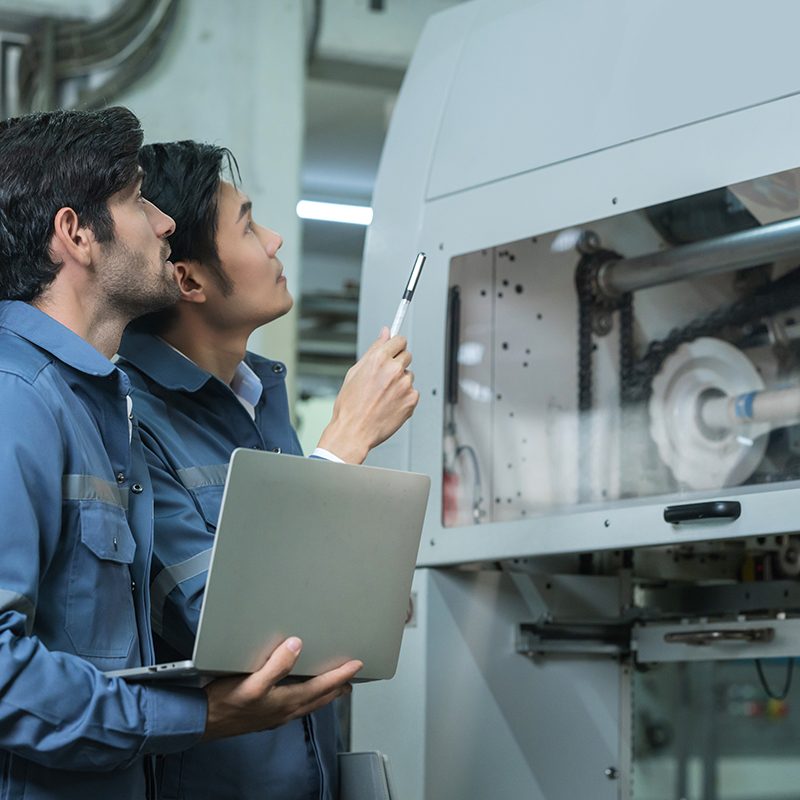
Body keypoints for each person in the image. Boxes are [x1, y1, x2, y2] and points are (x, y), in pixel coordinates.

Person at [0, 108, 361, 800]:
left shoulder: (98, 404)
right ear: (76, 233)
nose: (163, 223)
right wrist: (191, 717)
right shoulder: (16, 396)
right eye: (138, 201)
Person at [116, 139, 419, 799]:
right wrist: (343, 444)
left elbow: (323, 610)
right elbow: (234, 630)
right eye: (250, 226)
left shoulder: (260, 399)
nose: (276, 239)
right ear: (189, 280)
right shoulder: (131, 420)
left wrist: (363, 597)